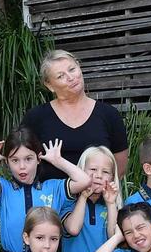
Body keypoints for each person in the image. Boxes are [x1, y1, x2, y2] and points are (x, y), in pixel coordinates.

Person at [0, 128, 91, 252]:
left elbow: (84, 180)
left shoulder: (53, 188)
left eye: (28, 159)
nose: (22, 166)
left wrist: (58, 161)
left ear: (38, 159)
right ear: (7, 162)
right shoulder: (5, 189)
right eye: (15, 160)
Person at [22, 50, 129, 180]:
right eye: (60, 76)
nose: (71, 78)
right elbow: (23, 161)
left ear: (79, 67)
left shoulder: (109, 115)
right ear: (49, 85)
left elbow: (120, 168)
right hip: (51, 199)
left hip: (97, 199)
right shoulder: (36, 117)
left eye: (72, 69)